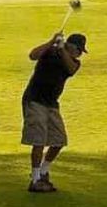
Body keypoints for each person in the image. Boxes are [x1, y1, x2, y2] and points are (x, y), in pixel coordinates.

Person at [21, 30, 87, 193]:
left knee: (59, 140)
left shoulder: (73, 62)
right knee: (39, 140)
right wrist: (51, 42)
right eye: (79, 50)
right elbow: (33, 55)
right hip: (35, 99)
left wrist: (62, 48)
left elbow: (70, 69)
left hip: (51, 103)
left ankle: (43, 171)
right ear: (72, 47)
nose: (80, 54)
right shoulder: (49, 52)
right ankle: (35, 179)